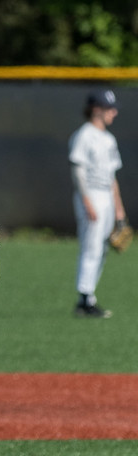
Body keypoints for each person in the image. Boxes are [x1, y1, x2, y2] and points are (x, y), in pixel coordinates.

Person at [68, 88, 126, 318]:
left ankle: (89, 295)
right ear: (96, 109)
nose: (114, 112)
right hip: (90, 193)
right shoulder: (84, 135)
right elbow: (77, 170)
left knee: (102, 248)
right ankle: (84, 298)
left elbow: (112, 178)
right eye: (109, 108)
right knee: (91, 245)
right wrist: (87, 202)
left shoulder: (108, 138)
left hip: (106, 196)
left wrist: (119, 210)